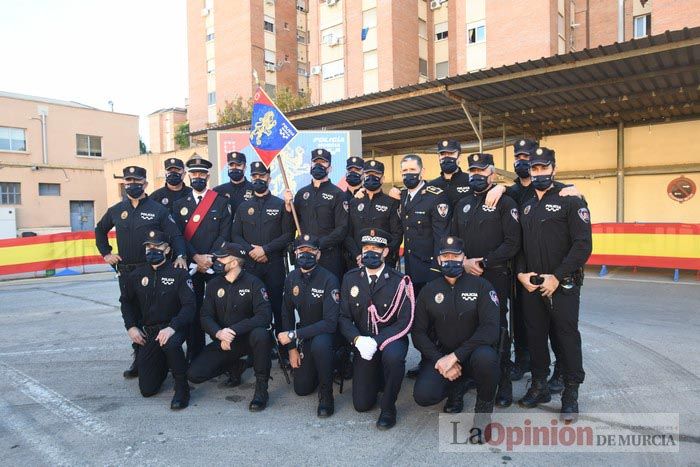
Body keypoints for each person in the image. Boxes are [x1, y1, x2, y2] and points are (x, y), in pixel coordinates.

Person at [515, 147, 592, 422]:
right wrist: (522, 274)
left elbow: (583, 245)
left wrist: (557, 276)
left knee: (566, 337)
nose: (538, 173)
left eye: (543, 168)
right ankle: (539, 385)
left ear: (554, 169)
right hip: (532, 285)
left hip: (563, 284)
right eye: (534, 169)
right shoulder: (524, 201)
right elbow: (521, 243)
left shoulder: (570, 199)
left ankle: (571, 393)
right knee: (535, 336)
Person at [95, 165, 186, 378]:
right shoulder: (117, 210)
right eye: (128, 181)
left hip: (150, 270)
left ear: (145, 184)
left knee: (154, 314)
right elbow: (100, 230)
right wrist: (106, 253)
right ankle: (140, 356)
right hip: (127, 272)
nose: (132, 185)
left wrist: (181, 256)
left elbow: (176, 236)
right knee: (133, 315)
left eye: (137, 181)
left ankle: (166, 356)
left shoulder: (158, 210)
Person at [412, 236, 500, 442]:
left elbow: (491, 329)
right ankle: (455, 387)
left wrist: (456, 356)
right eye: (446, 256)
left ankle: (483, 413)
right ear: (439, 260)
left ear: (464, 258)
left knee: (487, 357)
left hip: (473, 355)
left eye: (456, 255)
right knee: (423, 396)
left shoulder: (482, 286)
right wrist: (440, 360)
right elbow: (418, 333)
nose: (450, 260)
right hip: (442, 355)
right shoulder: (429, 290)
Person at [451, 153, 521, 407]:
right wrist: (465, 262)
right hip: (465, 274)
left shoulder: (505, 203)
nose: (476, 175)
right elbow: (453, 240)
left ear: (492, 174)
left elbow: (512, 242)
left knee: (496, 331)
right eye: (473, 171)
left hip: (494, 276)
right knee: (465, 327)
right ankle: (466, 379)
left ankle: (502, 386)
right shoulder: (463, 204)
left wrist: (484, 262)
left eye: (482, 171)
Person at [339, 228, 415, 430]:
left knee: (394, 357)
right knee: (361, 405)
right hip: (363, 342)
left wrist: (378, 341)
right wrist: (357, 340)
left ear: (385, 252)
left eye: (376, 248)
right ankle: (378, 376)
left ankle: (389, 407)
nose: (370, 252)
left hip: (391, 339)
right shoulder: (350, 278)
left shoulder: (399, 281)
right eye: (366, 248)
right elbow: (344, 317)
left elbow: (405, 321)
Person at [187, 242, 274, 411]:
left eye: (221, 258)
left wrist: (233, 330)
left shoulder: (254, 283)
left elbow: (264, 316)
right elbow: (205, 316)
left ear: (234, 263)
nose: (217, 261)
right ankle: (235, 365)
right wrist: (219, 333)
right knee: (194, 374)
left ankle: (261, 388)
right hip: (224, 341)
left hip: (248, 339)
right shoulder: (213, 285)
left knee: (261, 335)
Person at [119, 230, 195, 409]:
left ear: (167, 249)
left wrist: (172, 327)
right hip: (150, 331)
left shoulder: (179, 274)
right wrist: (131, 327)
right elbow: (126, 302)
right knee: (147, 389)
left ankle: (182, 387)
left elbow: (190, 307)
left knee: (170, 344)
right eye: (148, 247)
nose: (151, 250)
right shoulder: (137, 275)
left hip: (173, 327)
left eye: (157, 246)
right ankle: (162, 364)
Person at [232, 161, 294, 375]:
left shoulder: (279, 204)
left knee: (278, 308)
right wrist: (252, 251)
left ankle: (285, 351)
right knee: (250, 310)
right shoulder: (242, 207)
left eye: (262, 175)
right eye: (254, 175)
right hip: (250, 266)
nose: (258, 179)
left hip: (274, 265)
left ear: (269, 177)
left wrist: (265, 249)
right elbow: (236, 236)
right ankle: (253, 352)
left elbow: (288, 234)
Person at [172, 155, 232, 362]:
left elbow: (225, 234)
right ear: (188, 176)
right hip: (192, 265)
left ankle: (223, 357)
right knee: (192, 309)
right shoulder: (179, 204)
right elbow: (178, 236)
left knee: (220, 311)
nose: (197, 177)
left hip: (214, 265)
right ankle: (195, 355)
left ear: (208, 176)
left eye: (201, 174)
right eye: (194, 173)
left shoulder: (221, 202)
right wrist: (197, 258)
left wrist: (209, 258)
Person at [277, 234, 340, 418]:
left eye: (310, 251)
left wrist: (293, 334)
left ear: (318, 255)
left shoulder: (329, 279)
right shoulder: (291, 278)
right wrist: (291, 349)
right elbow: (286, 313)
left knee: (321, 345)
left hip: (327, 336)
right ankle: (319, 369)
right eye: (301, 251)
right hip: (304, 336)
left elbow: (330, 323)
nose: (305, 255)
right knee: (302, 389)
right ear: (295, 254)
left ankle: (326, 394)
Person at [285, 148, 348, 280]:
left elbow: (342, 228)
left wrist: (319, 244)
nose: (318, 165)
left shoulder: (338, 194)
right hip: (304, 256)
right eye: (315, 162)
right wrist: (288, 206)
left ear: (329, 168)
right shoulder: (301, 194)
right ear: (311, 165)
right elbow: (292, 225)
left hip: (329, 256)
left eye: (323, 162)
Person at [344, 160, 402, 269]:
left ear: (383, 178)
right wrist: (358, 255)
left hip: (384, 262)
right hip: (357, 262)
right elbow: (348, 234)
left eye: (376, 174)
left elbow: (397, 235)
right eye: (368, 174)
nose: (371, 177)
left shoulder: (391, 202)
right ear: (363, 176)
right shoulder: (354, 202)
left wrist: (383, 253)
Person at [428, 139, 471, 207]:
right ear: (439, 158)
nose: (446, 157)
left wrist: (494, 191)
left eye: (451, 153)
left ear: (459, 157)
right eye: (443, 154)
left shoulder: (471, 181)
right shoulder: (431, 186)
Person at [213, 151, 255, 215]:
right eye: (231, 165)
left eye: (238, 165)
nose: (234, 168)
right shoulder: (218, 191)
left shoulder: (254, 189)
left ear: (245, 167)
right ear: (228, 167)